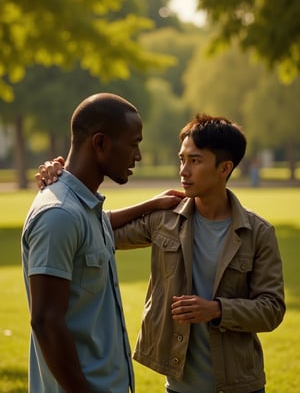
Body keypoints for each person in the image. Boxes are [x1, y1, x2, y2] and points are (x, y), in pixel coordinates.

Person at [37, 114, 285, 393]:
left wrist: (216, 310)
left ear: (224, 168)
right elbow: (90, 228)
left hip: (242, 386)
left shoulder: (259, 232)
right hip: (178, 387)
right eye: (182, 159)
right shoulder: (163, 220)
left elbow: (272, 309)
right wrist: (62, 179)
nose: (183, 170)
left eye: (195, 160)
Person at [22, 92, 182, 393]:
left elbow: (99, 224)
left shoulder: (83, 210)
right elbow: (45, 320)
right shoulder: (58, 214)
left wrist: (152, 204)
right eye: (134, 143)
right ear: (100, 143)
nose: (139, 156)